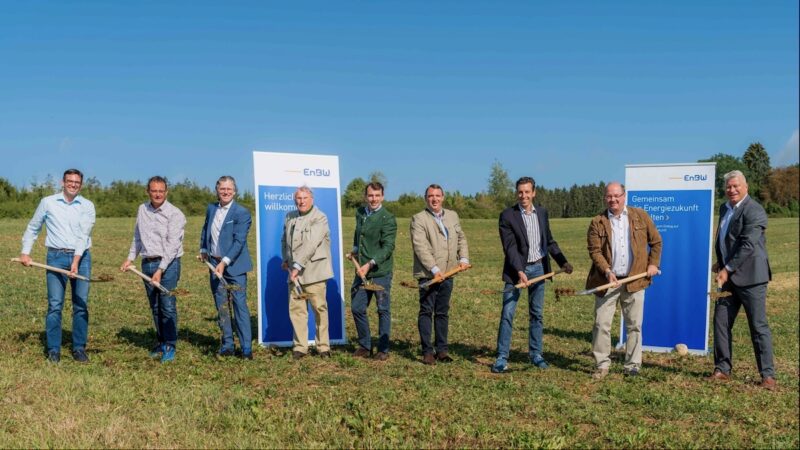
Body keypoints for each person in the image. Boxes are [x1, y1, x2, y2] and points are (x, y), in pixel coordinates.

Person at [491, 176, 574, 374]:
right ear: (516, 193)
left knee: (536, 314)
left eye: (527, 192)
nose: (524, 196)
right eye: (520, 192)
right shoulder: (507, 216)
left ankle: (536, 354)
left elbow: (549, 242)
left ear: (534, 193)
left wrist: (563, 261)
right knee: (507, 313)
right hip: (516, 271)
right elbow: (509, 247)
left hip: (539, 269)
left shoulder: (542, 213)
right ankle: (502, 357)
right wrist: (520, 271)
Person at [585, 182, 661, 379]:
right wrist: (607, 271)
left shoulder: (640, 216)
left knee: (634, 325)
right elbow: (594, 251)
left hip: (635, 281)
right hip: (608, 281)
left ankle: (632, 365)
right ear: (605, 198)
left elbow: (656, 241)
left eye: (617, 195)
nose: (614, 200)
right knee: (601, 324)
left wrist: (653, 264)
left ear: (624, 196)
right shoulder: (597, 222)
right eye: (610, 196)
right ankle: (602, 364)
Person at [708, 170, 776, 389]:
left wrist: (727, 268)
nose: (732, 190)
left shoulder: (754, 210)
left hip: (752, 278)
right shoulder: (724, 208)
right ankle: (722, 369)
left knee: (758, 326)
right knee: (720, 322)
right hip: (727, 280)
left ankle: (767, 375)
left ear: (745, 186)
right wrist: (721, 262)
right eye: (728, 186)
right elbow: (728, 240)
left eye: (736, 186)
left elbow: (748, 245)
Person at [21, 169, 96, 363]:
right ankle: (54, 350)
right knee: (55, 305)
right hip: (55, 257)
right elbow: (33, 227)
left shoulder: (87, 206)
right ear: (62, 182)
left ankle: (79, 348)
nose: (73, 184)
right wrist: (25, 252)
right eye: (70, 181)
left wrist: (76, 261)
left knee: (81, 305)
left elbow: (83, 236)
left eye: (77, 182)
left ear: (81, 184)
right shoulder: (48, 202)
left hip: (82, 257)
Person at [121, 176, 186, 363]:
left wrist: (160, 270)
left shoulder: (175, 214)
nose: (157, 194)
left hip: (168, 265)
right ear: (148, 191)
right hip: (147, 264)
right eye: (154, 190)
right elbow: (137, 236)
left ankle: (170, 344)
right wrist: (130, 257)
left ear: (166, 192)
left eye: (161, 191)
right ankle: (160, 342)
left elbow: (173, 246)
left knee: (167, 306)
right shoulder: (142, 209)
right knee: (155, 306)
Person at [410, 184, 469, 365]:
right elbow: (420, 247)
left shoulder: (452, 216)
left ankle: (442, 350)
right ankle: (427, 351)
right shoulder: (418, 219)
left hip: (449, 272)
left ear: (443, 197)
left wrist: (464, 257)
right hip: (429, 275)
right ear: (426, 198)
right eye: (430, 196)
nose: (434, 199)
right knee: (427, 311)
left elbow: (461, 238)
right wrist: (435, 270)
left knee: (442, 312)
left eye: (437, 196)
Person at [199, 176, 254, 360]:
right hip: (214, 264)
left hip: (235, 267)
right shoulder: (211, 208)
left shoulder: (242, 213)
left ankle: (246, 348)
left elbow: (239, 242)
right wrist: (204, 249)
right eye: (222, 188)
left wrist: (224, 263)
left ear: (235, 191)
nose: (226, 192)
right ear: (217, 190)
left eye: (229, 189)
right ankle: (227, 345)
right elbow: (206, 229)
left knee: (240, 306)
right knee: (222, 306)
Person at [282, 186, 333, 359]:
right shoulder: (290, 216)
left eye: (305, 198)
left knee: (319, 309)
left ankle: (323, 346)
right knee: (297, 310)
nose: (301, 201)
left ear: (312, 199)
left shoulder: (320, 217)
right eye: (298, 198)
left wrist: (296, 266)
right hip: (294, 273)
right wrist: (286, 259)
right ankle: (300, 347)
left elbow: (311, 244)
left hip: (314, 272)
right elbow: (285, 240)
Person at [349, 182, 397, 361]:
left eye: (377, 196)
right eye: (370, 195)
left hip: (379, 272)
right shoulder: (361, 213)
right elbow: (358, 233)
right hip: (362, 272)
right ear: (365, 197)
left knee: (382, 309)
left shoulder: (388, 218)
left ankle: (383, 349)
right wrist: (355, 249)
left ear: (382, 197)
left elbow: (388, 247)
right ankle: (365, 345)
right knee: (357, 307)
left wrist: (370, 264)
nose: (374, 199)